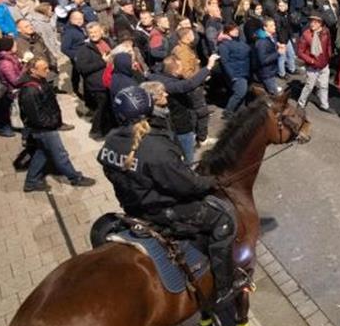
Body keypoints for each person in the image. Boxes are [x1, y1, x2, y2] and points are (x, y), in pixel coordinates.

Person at [97, 84, 241, 306]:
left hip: (133, 208)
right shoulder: (156, 147)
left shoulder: (111, 140)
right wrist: (213, 181)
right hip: (164, 213)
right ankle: (225, 287)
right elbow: (187, 186)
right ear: (149, 108)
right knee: (224, 218)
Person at [16, 58, 96, 192]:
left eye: (47, 68)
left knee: (42, 152)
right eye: (44, 69)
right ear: (33, 70)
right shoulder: (30, 91)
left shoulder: (38, 81)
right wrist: (53, 123)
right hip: (44, 129)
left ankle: (31, 181)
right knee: (60, 155)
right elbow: (36, 117)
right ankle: (75, 178)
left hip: (45, 126)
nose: (48, 71)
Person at [295, 12, 332, 114]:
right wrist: (310, 60)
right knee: (309, 86)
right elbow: (300, 52)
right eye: (311, 21)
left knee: (324, 86)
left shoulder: (326, 32)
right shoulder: (306, 35)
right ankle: (301, 103)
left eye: (316, 22)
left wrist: (329, 56)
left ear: (321, 23)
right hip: (313, 66)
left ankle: (324, 105)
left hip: (324, 65)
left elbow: (328, 45)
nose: (312, 24)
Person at [216, 21, 251, 115]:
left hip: (243, 70)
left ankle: (241, 112)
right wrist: (232, 75)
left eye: (236, 29)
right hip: (236, 73)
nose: (236, 31)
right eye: (233, 30)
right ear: (227, 31)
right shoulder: (224, 45)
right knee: (240, 92)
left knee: (242, 93)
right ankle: (228, 111)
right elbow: (225, 62)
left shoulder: (239, 40)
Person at [251, 17, 282, 96]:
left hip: (271, 70)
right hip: (266, 73)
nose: (274, 27)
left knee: (271, 91)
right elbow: (263, 60)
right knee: (275, 96)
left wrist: (277, 45)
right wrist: (278, 53)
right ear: (265, 28)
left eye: (274, 25)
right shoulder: (262, 42)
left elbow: (270, 48)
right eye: (271, 26)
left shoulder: (271, 36)